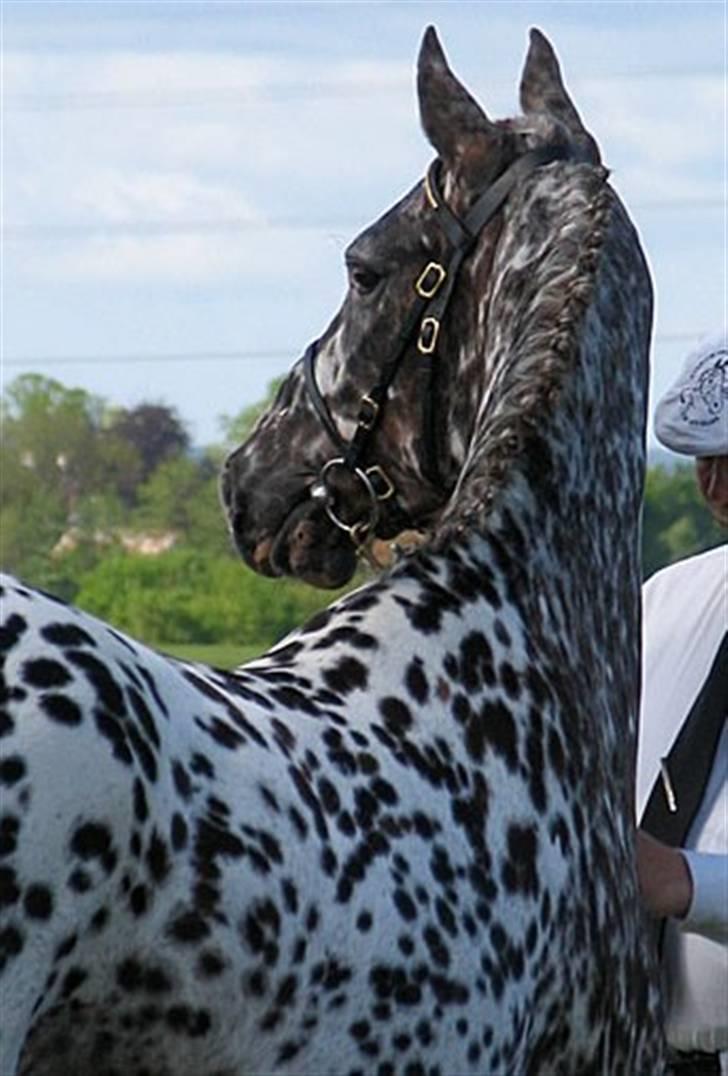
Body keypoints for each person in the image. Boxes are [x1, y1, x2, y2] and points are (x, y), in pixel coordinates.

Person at [636, 330, 727, 1075]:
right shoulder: (661, 601)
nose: (717, 490)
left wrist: (686, 883)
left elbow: (663, 875)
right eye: (704, 462)